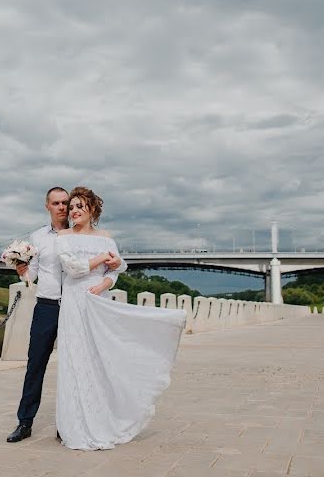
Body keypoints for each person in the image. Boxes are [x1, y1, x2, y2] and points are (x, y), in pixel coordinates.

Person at [55, 186, 186, 450]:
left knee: (99, 358)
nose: (74, 211)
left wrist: (105, 283)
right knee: (75, 359)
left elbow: (116, 271)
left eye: (80, 206)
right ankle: (75, 423)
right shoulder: (63, 237)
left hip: (97, 301)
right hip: (73, 302)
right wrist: (101, 259)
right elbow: (72, 268)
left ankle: (105, 417)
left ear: (92, 209)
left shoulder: (107, 239)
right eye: (71, 207)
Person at [7, 186, 123, 443]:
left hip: (79, 307)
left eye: (65, 203)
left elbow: (112, 267)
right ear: (47, 206)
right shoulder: (37, 238)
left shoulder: (81, 234)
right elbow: (32, 276)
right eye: (57, 203)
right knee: (35, 365)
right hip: (48, 305)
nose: (63, 208)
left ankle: (69, 423)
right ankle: (24, 422)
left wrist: (110, 273)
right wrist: (21, 269)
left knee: (77, 365)